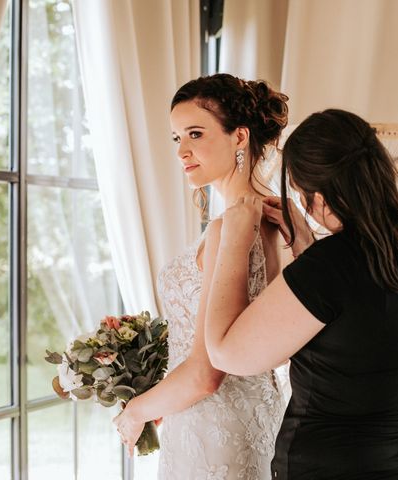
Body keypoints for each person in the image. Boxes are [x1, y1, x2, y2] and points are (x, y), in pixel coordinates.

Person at [204, 109, 398, 480]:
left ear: (317, 197)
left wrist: (234, 242)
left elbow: (226, 353)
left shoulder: (332, 265)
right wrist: (306, 246)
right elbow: (362, 319)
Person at [113, 73, 289, 480]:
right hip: (254, 419)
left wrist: (136, 410)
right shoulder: (277, 220)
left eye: (195, 133)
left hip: (213, 430)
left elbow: (207, 372)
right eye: (177, 138)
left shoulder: (232, 228)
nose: (182, 150)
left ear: (239, 136)